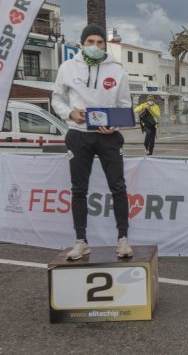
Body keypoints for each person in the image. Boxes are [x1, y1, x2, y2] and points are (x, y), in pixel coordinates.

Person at [52, 24, 133, 260]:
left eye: (100, 42)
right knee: (79, 190)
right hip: (78, 135)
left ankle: (123, 240)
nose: (96, 46)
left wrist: (114, 125)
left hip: (108, 137)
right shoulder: (67, 67)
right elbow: (57, 98)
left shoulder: (117, 71)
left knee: (118, 188)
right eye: (91, 42)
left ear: (105, 45)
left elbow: (125, 106)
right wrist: (69, 114)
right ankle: (81, 242)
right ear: (82, 43)